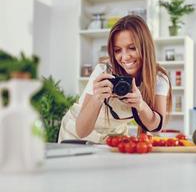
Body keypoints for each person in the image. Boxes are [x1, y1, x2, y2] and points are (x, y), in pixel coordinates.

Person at [58, 15, 172, 144]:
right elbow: (81, 131)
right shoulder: (104, 72)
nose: (124, 57)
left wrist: (141, 105)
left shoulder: (158, 78)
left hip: (113, 136)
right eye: (117, 50)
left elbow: (156, 128)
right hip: (76, 132)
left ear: (145, 46)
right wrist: (97, 98)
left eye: (132, 48)